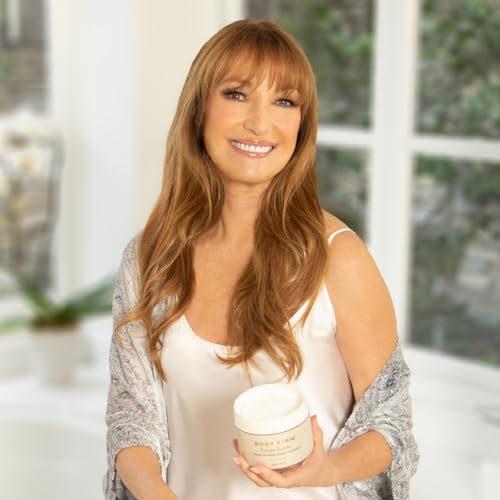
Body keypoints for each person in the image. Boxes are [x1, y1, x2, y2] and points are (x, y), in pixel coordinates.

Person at [104, 19, 419, 500]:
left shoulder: (338, 257)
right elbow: (132, 419)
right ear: (199, 108)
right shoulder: (151, 257)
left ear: (302, 124)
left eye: (284, 102)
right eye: (236, 94)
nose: (260, 122)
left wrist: (326, 469)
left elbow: (391, 423)